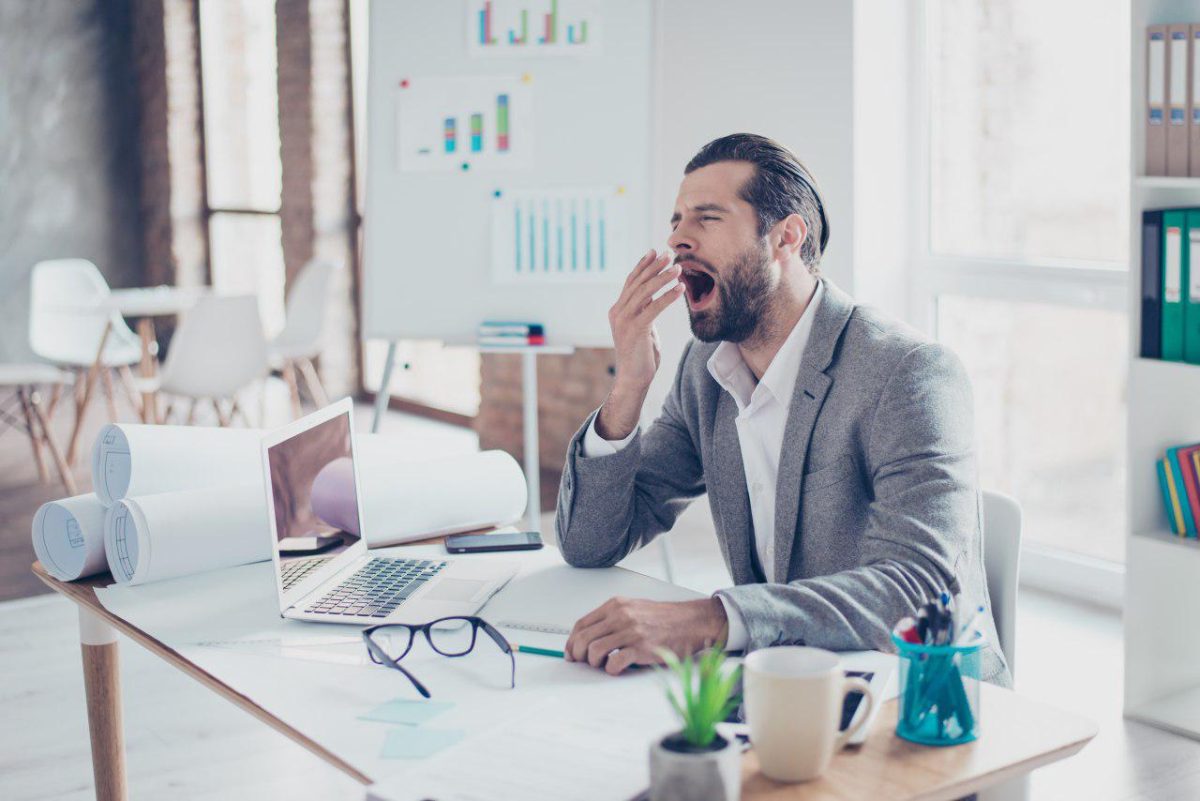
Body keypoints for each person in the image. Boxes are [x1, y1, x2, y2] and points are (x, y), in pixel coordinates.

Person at [554, 133, 1011, 686]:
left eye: (706, 218)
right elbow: (588, 543)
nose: (677, 240)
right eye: (675, 221)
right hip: (790, 681)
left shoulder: (909, 373)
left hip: (920, 701)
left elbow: (912, 588)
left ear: (785, 238)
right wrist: (628, 388)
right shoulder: (706, 371)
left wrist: (715, 619)